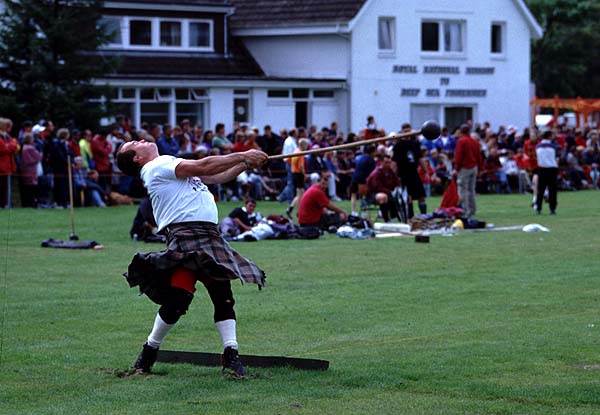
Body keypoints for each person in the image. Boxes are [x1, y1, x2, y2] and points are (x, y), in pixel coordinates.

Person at [116, 140, 268, 377]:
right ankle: (149, 351)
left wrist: (246, 164)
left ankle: (231, 356)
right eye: (136, 143)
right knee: (179, 299)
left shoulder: (170, 167)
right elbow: (204, 165)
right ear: (137, 158)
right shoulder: (157, 166)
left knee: (223, 296)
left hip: (209, 236)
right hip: (186, 236)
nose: (142, 140)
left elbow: (214, 176)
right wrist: (242, 155)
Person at [392, 123, 428, 218]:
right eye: (405, 132)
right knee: (408, 197)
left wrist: (426, 171)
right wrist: (394, 175)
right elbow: (394, 162)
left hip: (414, 172)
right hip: (403, 173)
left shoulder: (415, 143)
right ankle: (410, 217)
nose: (407, 133)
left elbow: (420, 158)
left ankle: (424, 216)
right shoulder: (398, 145)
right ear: (402, 132)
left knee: (421, 196)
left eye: (409, 131)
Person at [453, 124, 483, 219]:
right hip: (474, 167)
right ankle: (472, 209)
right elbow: (479, 156)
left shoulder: (461, 141)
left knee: (462, 190)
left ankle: (465, 211)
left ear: (461, 131)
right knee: (471, 190)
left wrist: (456, 168)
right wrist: (480, 168)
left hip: (464, 168)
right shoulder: (475, 142)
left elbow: (459, 156)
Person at [366, 155, 400, 222]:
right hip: (372, 195)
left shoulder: (390, 172)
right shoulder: (376, 173)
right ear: (381, 162)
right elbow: (377, 187)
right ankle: (386, 219)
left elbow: (396, 182)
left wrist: (397, 188)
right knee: (383, 197)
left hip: (388, 193)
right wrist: (390, 192)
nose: (388, 164)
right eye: (386, 162)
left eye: (389, 162)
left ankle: (400, 216)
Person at [535, 131, 559, 214]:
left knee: (540, 190)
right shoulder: (553, 146)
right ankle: (552, 209)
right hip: (552, 169)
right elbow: (556, 157)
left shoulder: (538, 146)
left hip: (542, 168)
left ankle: (538, 208)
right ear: (549, 136)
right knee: (552, 190)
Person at [286, 138, 310, 219]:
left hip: (293, 173)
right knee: (301, 194)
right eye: (306, 145)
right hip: (299, 174)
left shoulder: (295, 151)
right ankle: (299, 212)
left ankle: (290, 209)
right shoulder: (301, 153)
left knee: (298, 194)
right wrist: (305, 175)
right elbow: (301, 166)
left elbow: (288, 160)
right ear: (303, 145)